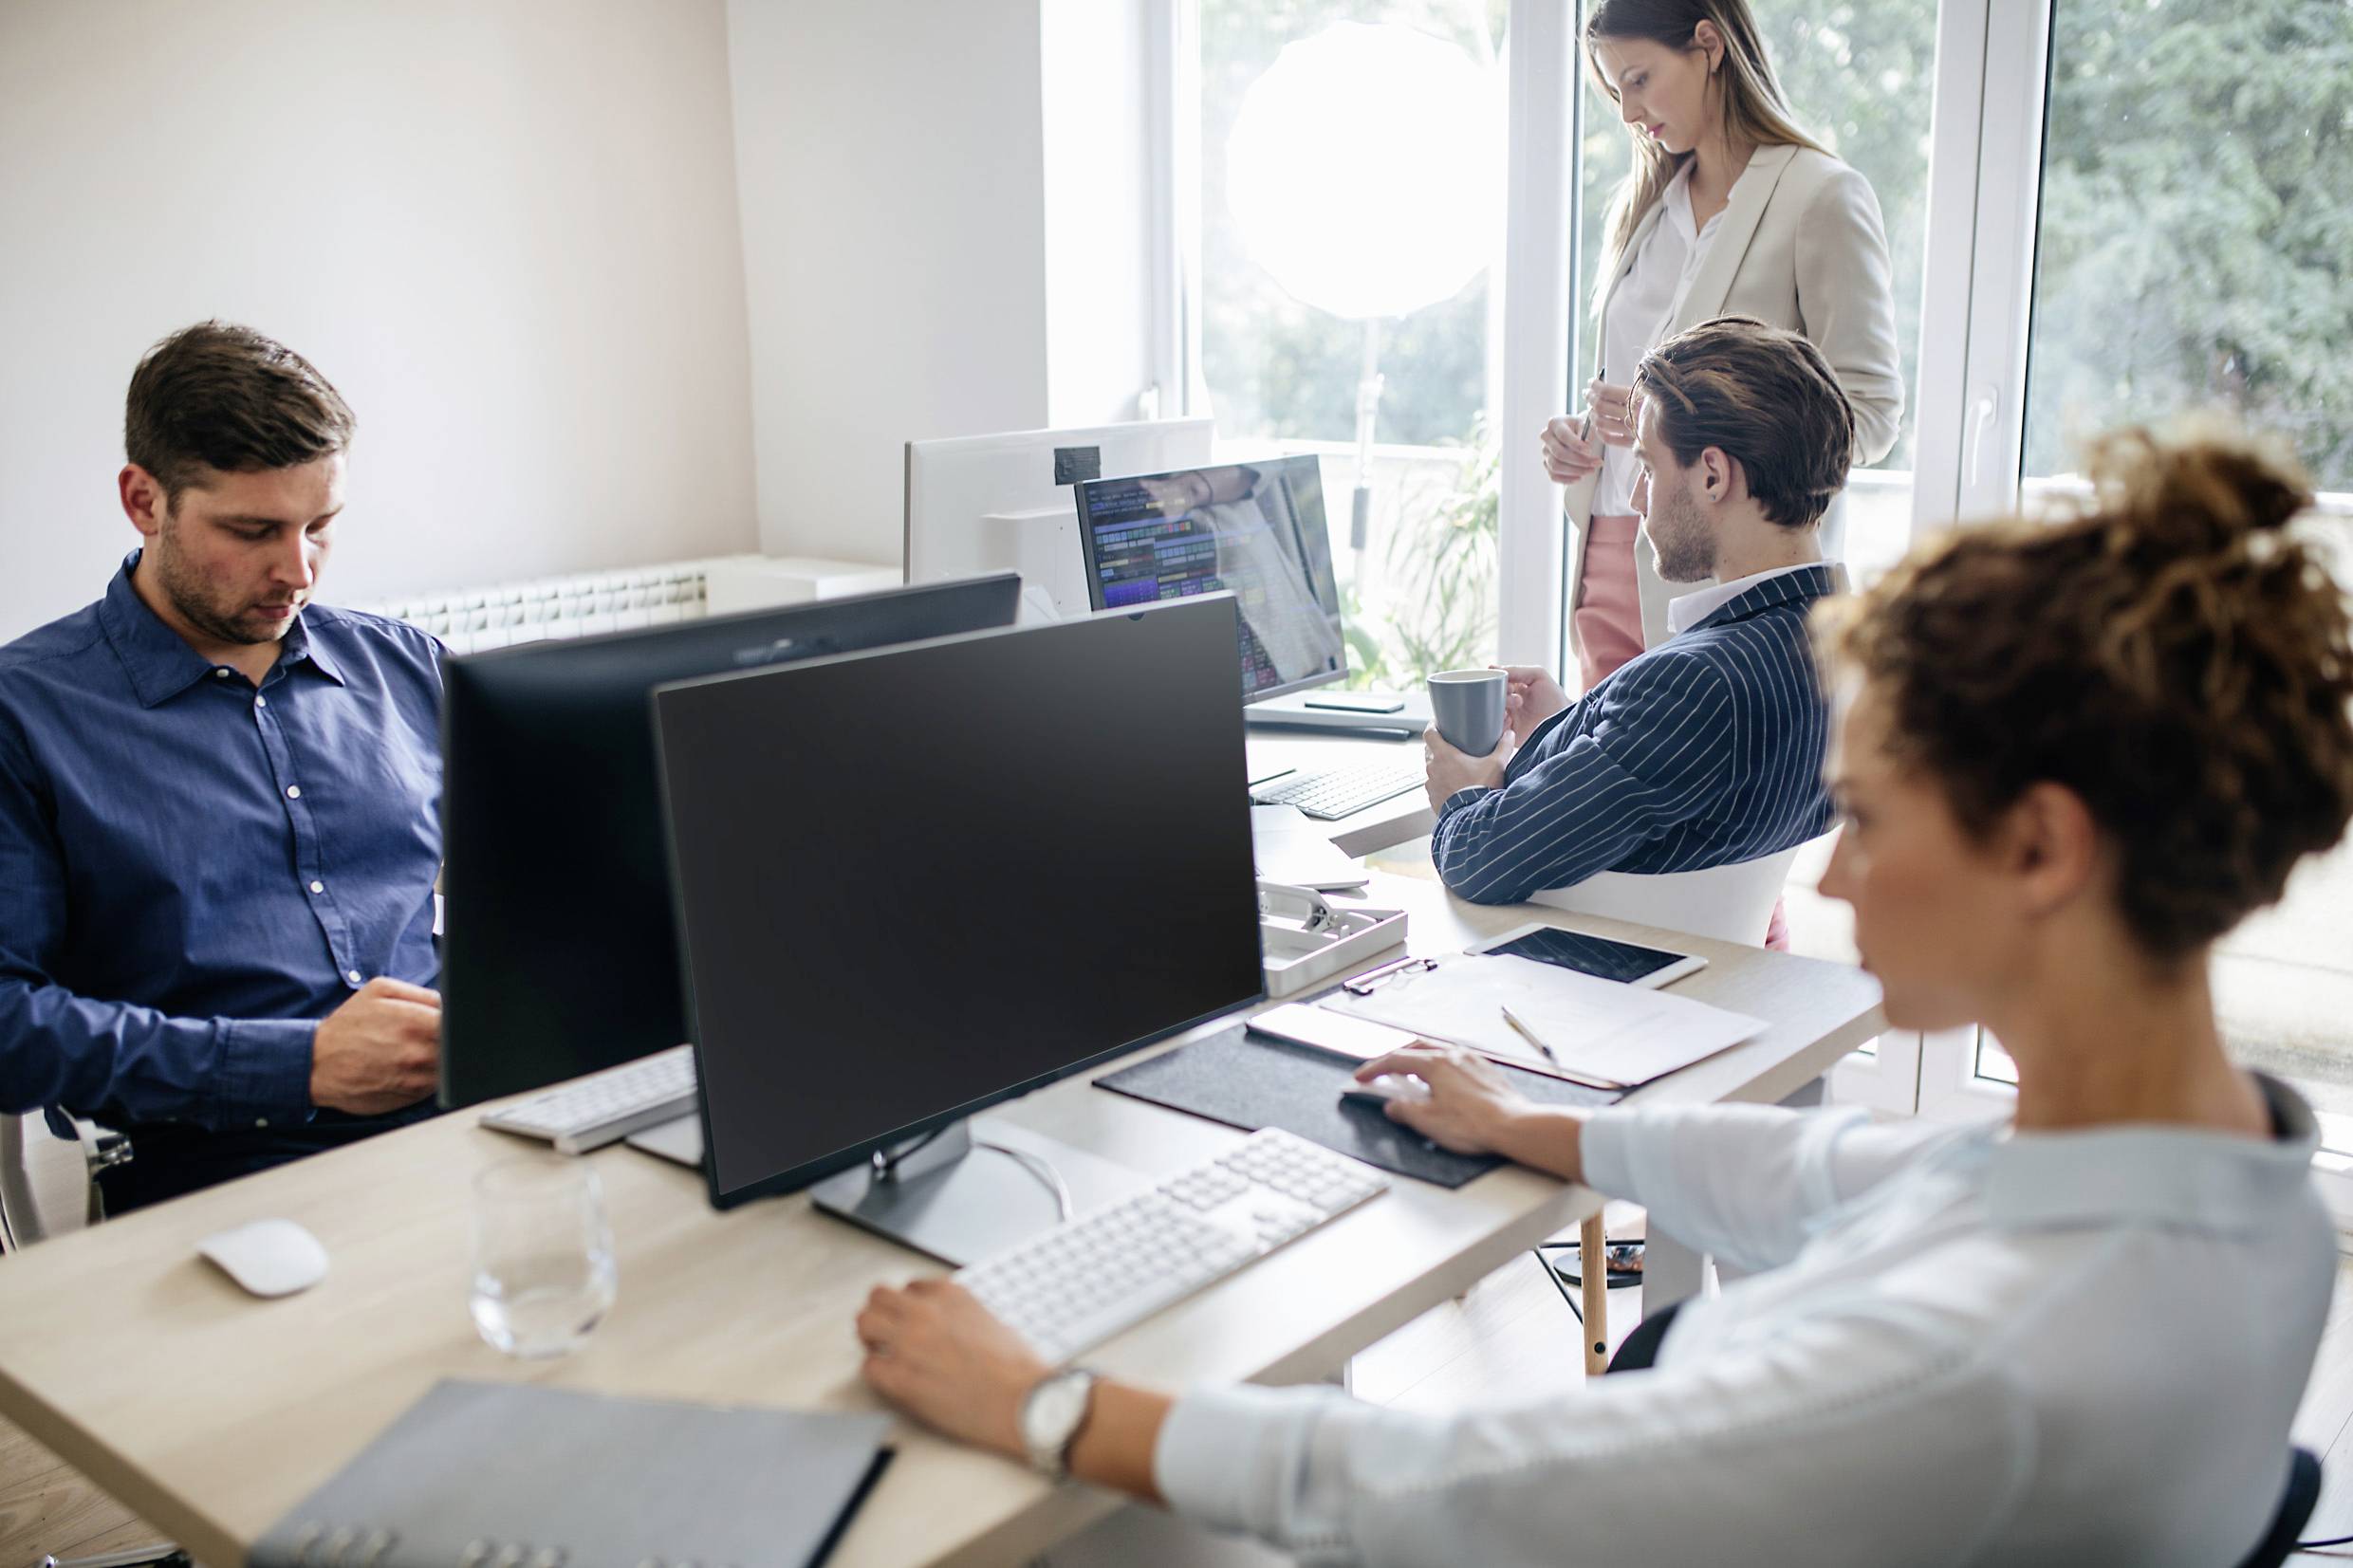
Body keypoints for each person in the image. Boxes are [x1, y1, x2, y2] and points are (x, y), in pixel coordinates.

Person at [852, 422, 2353, 1565]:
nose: (1831, 881)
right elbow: (1844, 1167)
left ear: (2040, 846)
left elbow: (1444, 1489)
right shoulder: (2229, 1174)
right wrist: (1544, 1132)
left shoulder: (1966, 1369)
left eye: (1873, 820)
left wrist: (1048, 1402)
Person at [0, 322, 445, 1213]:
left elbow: (556, 891)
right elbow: (10, 1027)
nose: (298, 570)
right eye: (253, 530)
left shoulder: (405, 667)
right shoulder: (27, 714)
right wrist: (301, 1064)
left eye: (321, 526)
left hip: (473, 1119)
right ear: (144, 500)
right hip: (223, 1171)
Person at [1424, 315, 1844, 910]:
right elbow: (1680, 786)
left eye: (1647, 467)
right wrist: (1569, 724)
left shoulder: (1698, 684)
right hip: (1704, 967)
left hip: (1593, 975)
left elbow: (1479, 860)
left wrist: (1459, 794)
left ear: (1713, 476)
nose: (1639, 498)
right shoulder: (1837, 643)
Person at [1544, 0, 1902, 692]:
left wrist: (1702, 431)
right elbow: (1644, 379)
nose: (1627, 111)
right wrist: (1584, 435)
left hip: (1731, 584)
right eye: (1615, 90)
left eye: (1640, 79)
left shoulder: (1820, 197)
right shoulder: (1645, 205)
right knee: (1600, 794)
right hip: (1610, 555)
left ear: (1709, 45)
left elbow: (1871, 414)